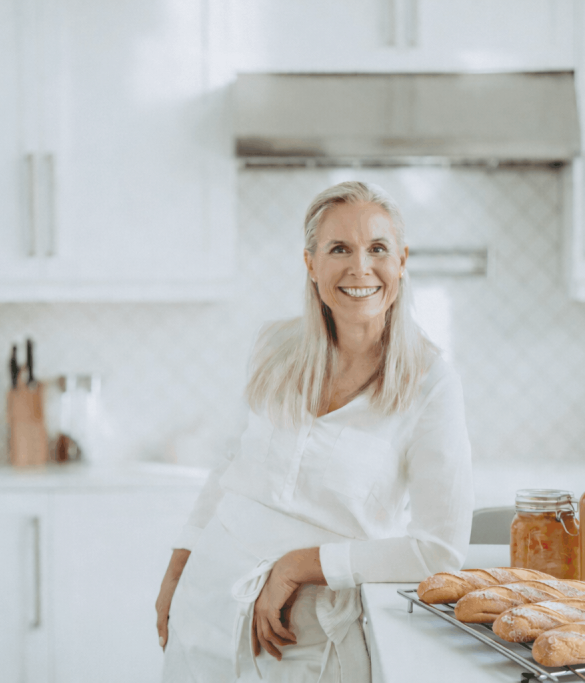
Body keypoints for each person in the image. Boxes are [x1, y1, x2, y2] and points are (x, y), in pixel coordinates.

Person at [155, 181, 474, 682]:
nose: (360, 267)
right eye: (339, 249)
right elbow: (231, 464)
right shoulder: (274, 346)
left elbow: (438, 552)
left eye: (377, 248)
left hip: (307, 639)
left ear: (402, 261)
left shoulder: (431, 384)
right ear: (311, 264)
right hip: (207, 605)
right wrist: (179, 566)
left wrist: (297, 565)